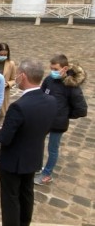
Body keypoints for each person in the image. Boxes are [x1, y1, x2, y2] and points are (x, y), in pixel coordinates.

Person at [0, 59, 57, 226]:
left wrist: (0, 130)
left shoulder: (19, 106)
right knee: (27, 194)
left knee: (11, 197)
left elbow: (5, 138)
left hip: (13, 161)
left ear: (23, 76)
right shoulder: (51, 101)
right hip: (33, 157)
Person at [34, 54, 87, 185]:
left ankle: (47, 174)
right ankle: (36, 166)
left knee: (53, 148)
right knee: (37, 142)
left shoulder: (71, 86)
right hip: (45, 119)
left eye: (56, 69)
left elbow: (81, 109)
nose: (53, 71)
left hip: (58, 123)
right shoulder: (49, 80)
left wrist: (65, 114)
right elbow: (41, 95)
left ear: (65, 68)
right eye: (51, 68)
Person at [0, 43, 16, 145]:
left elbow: (13, 79)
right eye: (1, 54)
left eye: (5, 54)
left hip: (4, 92)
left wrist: (8, 84)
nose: (3, 56)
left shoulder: (11, 64)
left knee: (0, 115)